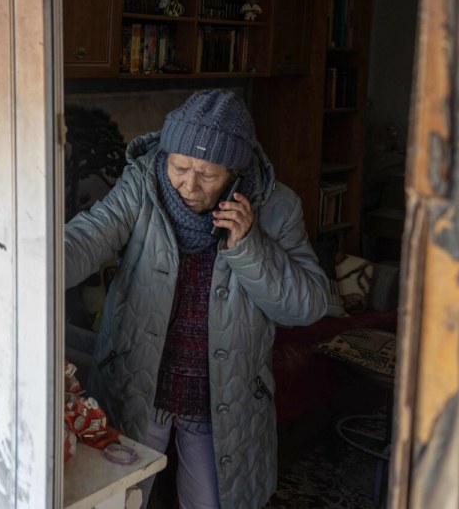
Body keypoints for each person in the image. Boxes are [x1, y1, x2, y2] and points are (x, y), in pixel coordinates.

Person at [65, 89, 328, 509]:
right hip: (137, 385)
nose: (189, 184)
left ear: (236, 172)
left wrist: (250, 247)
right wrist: (32, 262)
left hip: (220, 398)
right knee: (117, 499)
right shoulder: (143, 184)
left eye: (207, 174)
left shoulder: (276, 208)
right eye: (180, 166)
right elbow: (88, 235)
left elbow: (308, 305)